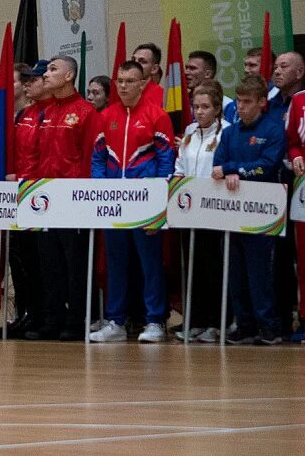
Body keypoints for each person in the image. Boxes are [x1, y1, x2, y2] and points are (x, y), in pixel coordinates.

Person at [89, 59, 176, 343]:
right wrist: (102, 190)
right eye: (120, 81)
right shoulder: (107, 116)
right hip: (114, 202)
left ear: (142, 84)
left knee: (150, 263)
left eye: (129, 81)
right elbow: (98, 157)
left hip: (145, 202)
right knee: (115, 263)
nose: (123, 86)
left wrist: (158, 200)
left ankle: (155, 321)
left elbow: (166, 161)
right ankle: (115, 321)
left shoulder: (157, 115)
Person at [213, 73, 285, 344]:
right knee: (235, 272)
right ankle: (244, 324)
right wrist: (227, 171)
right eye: (239, 101)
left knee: (260, 273)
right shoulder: (230, 132)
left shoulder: (272, 130)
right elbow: (218, 164)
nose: (240, 107)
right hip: (230, 211)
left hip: (262, 211)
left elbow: (267, 165)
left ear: (261, 103)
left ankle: (269, 325)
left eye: (246, 102)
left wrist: (236, 171)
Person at [35, 55, 97, 341]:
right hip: (46, 198)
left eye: (52, 69)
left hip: (73, 199)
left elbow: (91, 158)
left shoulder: (85, 111)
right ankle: (53, 318)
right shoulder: (46, 112)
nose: (45, 74)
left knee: (75, 263)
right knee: (49, 262)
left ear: (69, 75)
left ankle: (76, 319)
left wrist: (83, 196)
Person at [176, 81, 228, 342]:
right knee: (192, 265)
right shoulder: (188, 133)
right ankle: (195, 319)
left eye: (205, 107)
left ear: (217, 108)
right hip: (188, 209)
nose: (199, 112)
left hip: (216, 211)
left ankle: (217, 322)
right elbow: (180, 164)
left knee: (213, 267)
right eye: (196, 107)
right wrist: (176, 180)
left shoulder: (227, 133)